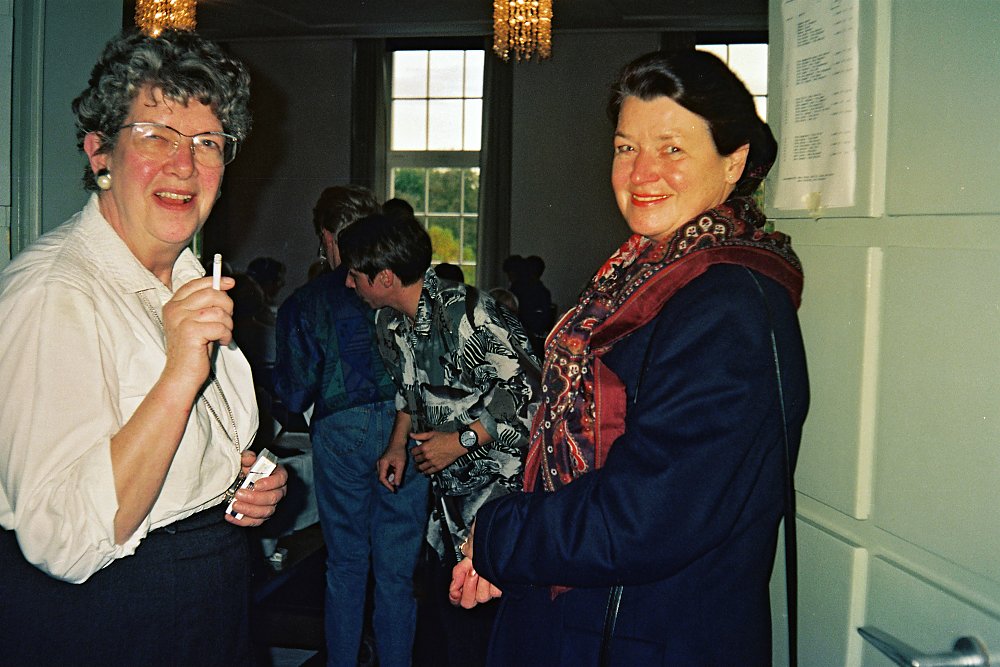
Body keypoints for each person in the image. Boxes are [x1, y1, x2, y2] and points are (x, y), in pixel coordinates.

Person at [449, 49, 809, 666]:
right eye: (626, 147)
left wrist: (499, 534)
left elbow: (646, 517)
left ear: (734, 162)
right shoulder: (647, 276)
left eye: (672, 148)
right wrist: (515, 556)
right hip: (603, 612)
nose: (641, 172)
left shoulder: (726, 302)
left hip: (651, 636)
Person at [0, 30, 288, 666]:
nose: (184, 165)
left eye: (207, 142)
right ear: (100, 152)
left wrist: (241, 477)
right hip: (111, 619)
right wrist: (180, 375)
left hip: (206, 600)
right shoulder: (53, 293)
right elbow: (61, 539)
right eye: (156, 136)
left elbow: (175, 452)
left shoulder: (189, 278)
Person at [337, 214, 541, 667]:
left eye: (355, 274)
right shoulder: (389, 323)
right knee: (455, 625)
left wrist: (461, 440)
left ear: (384, 277)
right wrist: (396, 445)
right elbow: (409, 392)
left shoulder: (470, 312)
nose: (349, 284)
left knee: (497, 629)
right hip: (450, 501)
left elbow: (532, 389)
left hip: (503, 494)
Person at [272, 185, 429, 667]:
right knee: (397, 574)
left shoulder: (307, 302)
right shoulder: (403, 286)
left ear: (326, 236)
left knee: (345, 565)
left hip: (342, 427)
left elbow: (295, 394)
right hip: (409, 425)